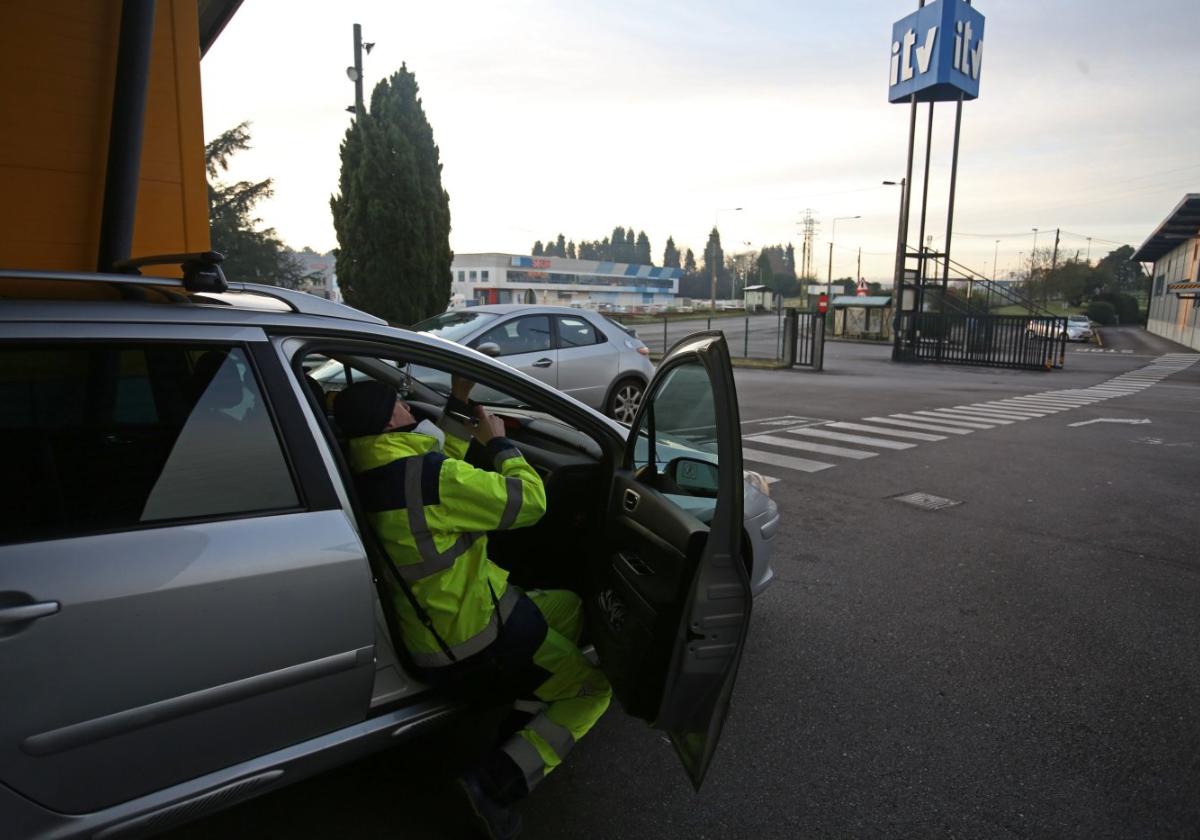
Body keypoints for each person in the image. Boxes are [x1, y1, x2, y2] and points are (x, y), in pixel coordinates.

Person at [334, 375, 611, 840]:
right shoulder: (429, 480)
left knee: (567, 605)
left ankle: (528, 708)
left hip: (442, 626)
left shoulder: (376, 469)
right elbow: (532, 502)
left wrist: (460, 400)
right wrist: (500, 445)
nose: (407, 407)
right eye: (398, 404)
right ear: (389, 423)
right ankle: (495, 784)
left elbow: (444, 468)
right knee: (593, 690)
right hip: (478, 637)